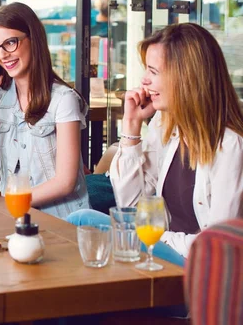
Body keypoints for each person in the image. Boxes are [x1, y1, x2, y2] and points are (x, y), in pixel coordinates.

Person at [67, 23, 243, 267]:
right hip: (161, 254)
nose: (144, 80)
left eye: (153, 71)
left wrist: (158, 238)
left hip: (198, 268)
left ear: (185, 76)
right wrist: (131, 126)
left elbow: (219, 243)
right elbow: (130, 206)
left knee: (82, 219)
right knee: (83, 224)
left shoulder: (230, 146)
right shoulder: (166, 125)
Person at [0, 2, 90, 219]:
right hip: (14, 217)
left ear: (34, 39)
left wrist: (10, 203)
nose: (2, 55)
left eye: (10, 43)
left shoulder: (63, 100)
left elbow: (65, 182)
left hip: (63, 222)